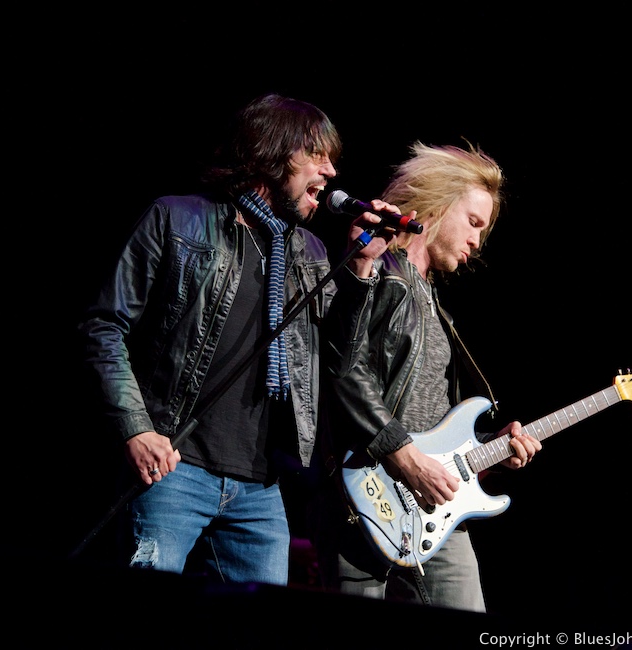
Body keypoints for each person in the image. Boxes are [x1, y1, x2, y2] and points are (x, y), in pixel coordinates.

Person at [76, 93, 396, 585]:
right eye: (316, 154)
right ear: (272, 152)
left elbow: (340, 361)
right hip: (173, 470)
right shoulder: (176, 219)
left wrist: (361, 268)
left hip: (260, 489)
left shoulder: (310, 252)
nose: (331, 171)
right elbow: (104, 326)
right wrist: (136, 429)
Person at [310, 140, 543, 612]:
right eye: (473, 222)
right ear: (436, 206)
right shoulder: (379, 275)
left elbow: (433, 418)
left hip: (436, 506)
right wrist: (405, 457)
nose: (478, 241)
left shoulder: (435, 306)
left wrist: (491, 448)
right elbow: (343, 369)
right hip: (369, 495)